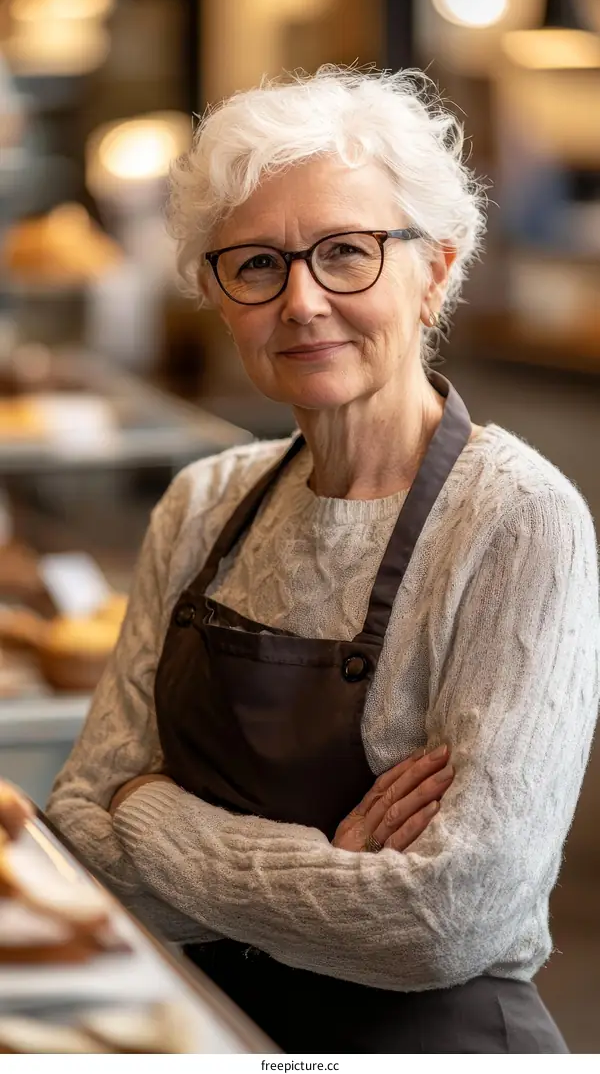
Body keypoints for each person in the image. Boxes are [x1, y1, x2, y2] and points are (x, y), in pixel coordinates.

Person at [5, 67, 599, 1053]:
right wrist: (331, 860)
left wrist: (157, 812)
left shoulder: (518, 518)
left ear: (437, 269)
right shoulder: (201, 504)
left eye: (347, 252)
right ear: (217, 293)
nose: (303, 299)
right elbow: (83, 822)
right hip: (213, 1026)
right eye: (256, 265)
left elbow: (447, 919)